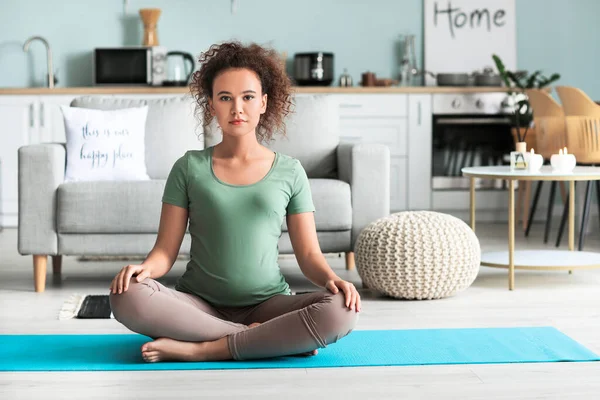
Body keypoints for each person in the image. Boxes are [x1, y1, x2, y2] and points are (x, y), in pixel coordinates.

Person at [109, 41, 360, 363]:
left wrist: (332, 279)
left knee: (341, 309)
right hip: (197, 305)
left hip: (269, 305)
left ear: (264, 103)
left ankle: (205, 348)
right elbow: (165, 252)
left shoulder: (290, 170)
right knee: (125, 294)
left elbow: (309, 253)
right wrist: (144, 269)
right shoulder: (188, 167)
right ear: (212, 105)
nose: (236, 109)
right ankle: (264, 339)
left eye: (247, 97)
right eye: (225, 98)